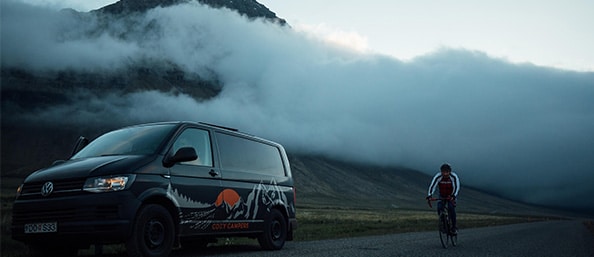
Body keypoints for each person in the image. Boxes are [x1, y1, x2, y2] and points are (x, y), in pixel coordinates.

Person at [426, 163, 460, 233]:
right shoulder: (438, 177)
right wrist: (430, 195)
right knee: (439, 208)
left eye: (446, 172)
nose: (445, 174)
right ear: (441, 171)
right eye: (443, 172)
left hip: (451, 195)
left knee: (451, 208)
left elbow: (456, 187)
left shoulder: (453, 177)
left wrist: (453, 195)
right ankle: (443, 224)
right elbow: (432, 186)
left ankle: (454, 226)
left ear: (450, 172)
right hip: (442, 195)